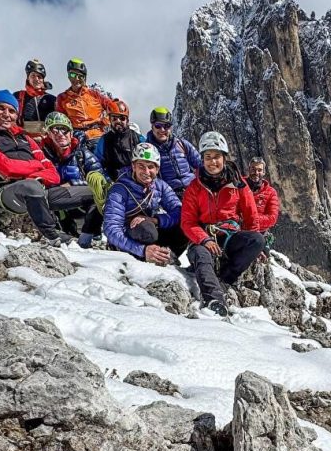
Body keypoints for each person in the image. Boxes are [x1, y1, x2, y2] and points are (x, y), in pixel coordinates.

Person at [0, 90, 73, 245]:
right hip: (2, 191)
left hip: (37, 188)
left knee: (90, 193)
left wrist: (31, 174)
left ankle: (90, 238)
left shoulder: (25, 138)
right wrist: (36, 166)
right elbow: (6, 167)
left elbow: (53, 174)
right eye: (0, 108)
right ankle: (51, 235)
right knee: (31, 186)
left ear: (17, 115)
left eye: (12, 111)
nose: (6, 114)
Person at [180, 131, 264, 316]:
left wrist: (255, 249)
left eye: (216, 156)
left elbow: (250, 215)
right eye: (208, 157)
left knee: (256, 240)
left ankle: (225, 279)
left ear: (224, 158)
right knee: (202, 257)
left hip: (229, 236)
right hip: (203, 236)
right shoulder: (194, 187)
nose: (212, 162)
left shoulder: (239, 184)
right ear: (202, 159)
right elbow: (188, 222)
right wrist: (204, 240)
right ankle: (214, 299)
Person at [103, 143, 186, 264]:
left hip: (149, 231)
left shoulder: (160, 186)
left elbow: (180, 211)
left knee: (184, 227)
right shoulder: (119, 190)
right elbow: (111, 228)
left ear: (157, 169)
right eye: (141, 166)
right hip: (128, 239)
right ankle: (146, 256)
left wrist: (156, 220)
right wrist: (142, 250)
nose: (146, 171)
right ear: (133, 166)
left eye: (151, 166)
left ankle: (164, 256)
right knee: (147, 230)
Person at [40, 112, 107, 248]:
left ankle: (91, 235)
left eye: (64, 129)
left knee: (99, 195)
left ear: (71, 133)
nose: (61, 134)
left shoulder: (83, 155)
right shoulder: (41, 155)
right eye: (55, 129)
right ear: (48, 133)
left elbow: (101, 182)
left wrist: (72, 183)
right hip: (57, 205)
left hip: (82, 205)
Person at [55, 59, 117, 156]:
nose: (76, 79)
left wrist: (105, 121)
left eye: (80, 76)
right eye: (72, 75)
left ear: (84, 77)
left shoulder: (94, 94)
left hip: (97, 135)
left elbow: (113, 107)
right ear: (68, 76)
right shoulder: (62, 98)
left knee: (103, 162)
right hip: (76, 137)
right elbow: (60, 121)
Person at [145, 106, 201, 197]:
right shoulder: (148, 150)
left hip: (194, 189)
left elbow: (200, 164)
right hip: (170, 194)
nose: (162, 130)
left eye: (166, 126)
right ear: (152, 127)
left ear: (170, 127)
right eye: (158, 126)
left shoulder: (182, 144)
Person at [100, 99, 143, 181]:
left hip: (136, 180)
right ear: (110, 120)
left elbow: (148, 158)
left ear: (127, 120)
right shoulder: (104, 140)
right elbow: (97, 163)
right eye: (114, 118)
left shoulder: (137, 138)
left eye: (122, 118)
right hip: (114, 182)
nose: (118, 121)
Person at [245, 156, 279, 253]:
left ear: (264, 172)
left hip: (259, 233)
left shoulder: (270, 192)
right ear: (249, 170)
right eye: (253, 169)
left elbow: (272, 218)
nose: (256, 173)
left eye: (259, 170)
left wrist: (250, 219)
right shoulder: (239, 185)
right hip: (237, 230)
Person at [14, 59, 56, 136]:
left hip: (47, 140)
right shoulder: (17, 96)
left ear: (43, 80)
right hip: (24, 139)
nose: (36, 79)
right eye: (33, 76)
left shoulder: (51, 99)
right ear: (28, 78)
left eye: (39, 77)